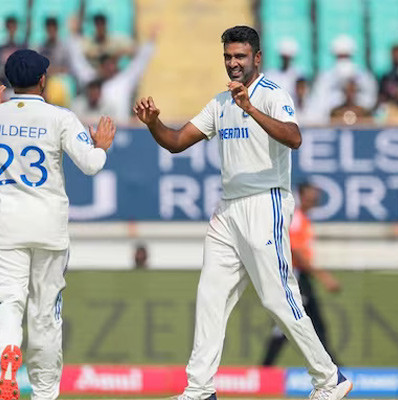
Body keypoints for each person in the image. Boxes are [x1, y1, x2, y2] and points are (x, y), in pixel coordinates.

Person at [134, 25, 352, 400]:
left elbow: (294, 137)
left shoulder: (271, 95)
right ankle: (200, 388)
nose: (233, 64)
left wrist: (249, 107)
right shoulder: (220, 102)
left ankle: (329, 378)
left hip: (264, 203)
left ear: (257, 58)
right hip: (228, 208)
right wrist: (154, 123)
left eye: (240, 57)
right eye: (228, 57)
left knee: (277, 298)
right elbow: (175, 142)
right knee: (210, 295)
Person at [0, 49, 116, 400]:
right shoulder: (59, 117)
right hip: (48, 227)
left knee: (9, 301)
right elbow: (91, 165)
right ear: (44, 81)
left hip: (4, 227)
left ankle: (6, 353)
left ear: (10, 81)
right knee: (46, 314)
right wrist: (102, 146)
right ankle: (44, 394)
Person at [261, 182, 341, 366]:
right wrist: (324, 277)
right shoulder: (296, 217)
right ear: (302, 195)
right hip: (294, 276)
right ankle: (264, 369)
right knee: (288, 324)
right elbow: (295, 250)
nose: (315, 198)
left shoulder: (303, 219)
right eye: (311, 194)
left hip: (301, 276)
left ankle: (333, 366)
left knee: (316, 324)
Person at [310, 35, 377, 118]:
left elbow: (370, 101)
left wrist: (353, 107)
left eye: (346, 56)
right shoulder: (325, 78)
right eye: (340, 56)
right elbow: (319, 104)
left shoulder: (364, 76)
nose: (343, 60)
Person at [0, 16, 26, 84]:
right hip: (3, 82)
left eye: (13, 27)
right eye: (9, 27)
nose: (11, 30)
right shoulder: (0, 47)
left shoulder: (22, 46)